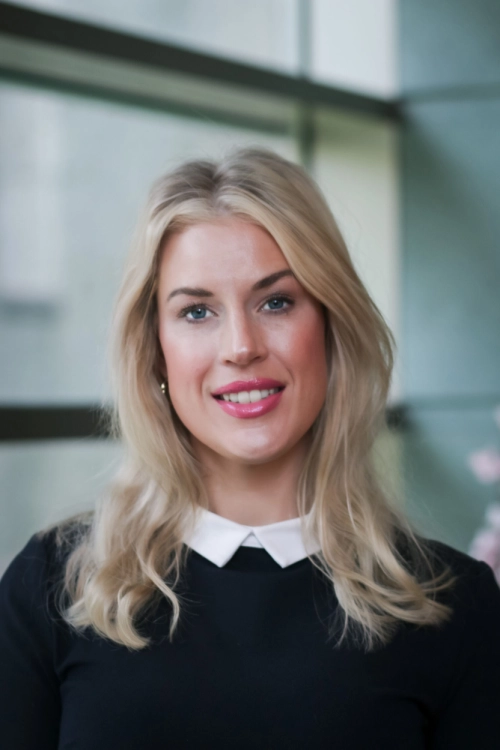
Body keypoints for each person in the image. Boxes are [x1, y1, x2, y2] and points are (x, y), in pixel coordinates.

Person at [1, 147, 500, 749]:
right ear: (156, 352)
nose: (241, 346)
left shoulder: (455, 604)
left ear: (332, 327)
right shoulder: (51, 587)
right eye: (196, 312)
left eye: (276, 302)